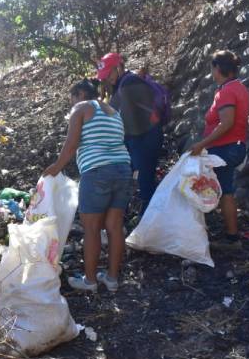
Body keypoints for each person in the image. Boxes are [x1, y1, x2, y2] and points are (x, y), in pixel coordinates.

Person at [43, 78, 132, 293]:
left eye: (72, 99)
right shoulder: (114, 112)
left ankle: (90, 281)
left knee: (91, 228)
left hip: (97, 172)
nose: (71, 104)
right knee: (114, 225)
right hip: (123, 169)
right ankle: (112, 279)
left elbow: (72, 144)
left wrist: (56, 167)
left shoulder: (81, 108)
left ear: (81, 94)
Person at [188, 50, 249, 251]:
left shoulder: (227, 91)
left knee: (225, 191)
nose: (211, 73)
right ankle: (228, 233)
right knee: (224, 189)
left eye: (212, 68)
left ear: (218, 68)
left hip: (226, 148)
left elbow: (227, 123)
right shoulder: (238, 87)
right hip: (234, 146)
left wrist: (202, 144)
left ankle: (232, 238)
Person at [97, 52, 161, 216]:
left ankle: (150, 220)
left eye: (109, 73)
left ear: (118, 67)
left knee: (144, 180)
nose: (108, 79)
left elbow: (126, 117)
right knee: (141, 179)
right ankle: (148, 216)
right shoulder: (122, 84)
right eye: (105, 76)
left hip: (143, 138)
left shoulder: (128, 83)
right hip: (140, 137)